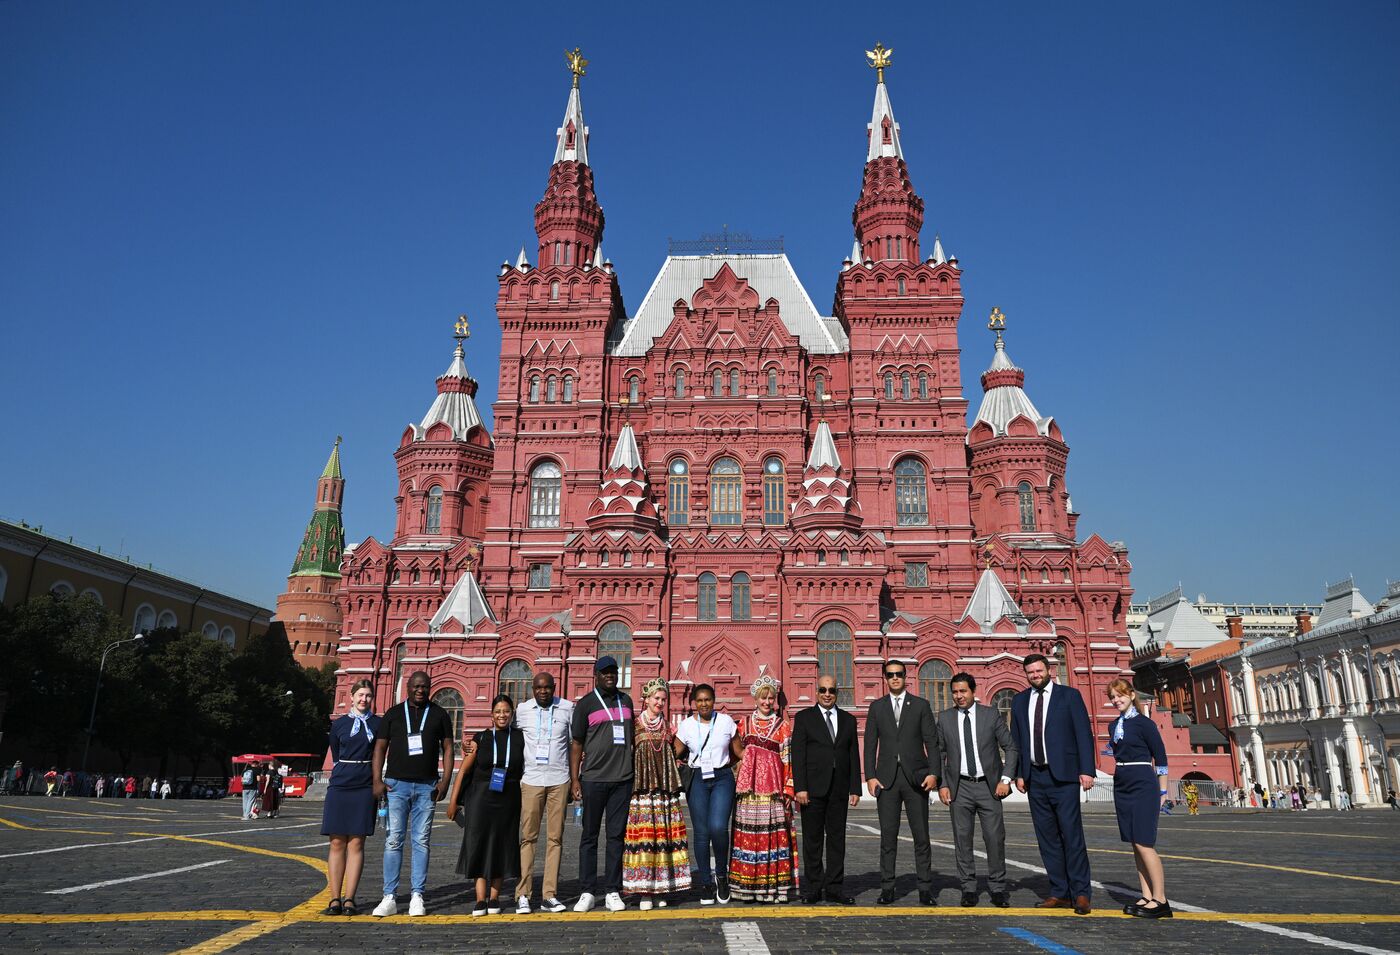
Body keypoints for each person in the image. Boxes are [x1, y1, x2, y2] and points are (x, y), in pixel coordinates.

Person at [1011, 652, 1095, 915]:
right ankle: (1059, 892)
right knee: (1046, 839)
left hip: (1065, 776)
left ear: (1049, 670)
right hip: (1035, 777)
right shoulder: (1020, 700)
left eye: (1038, 671)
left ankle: (1080, 893)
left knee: (1072, 836)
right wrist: (1019, 773)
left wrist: (1087, 770)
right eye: (1030, 672)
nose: (1035, 675)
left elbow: (1083, 734)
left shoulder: (1068, 696)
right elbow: (1017, 739)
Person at [371, 670, 456, 918]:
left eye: (425, 686)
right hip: (396, 786)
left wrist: (446, 781)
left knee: (421, 841)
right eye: (416, 686)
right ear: (408, 687)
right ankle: (389, 896)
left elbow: (449, 748)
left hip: (427, 786)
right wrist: (377, 780)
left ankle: (417, 895)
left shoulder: (439, 714)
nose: (420, 690)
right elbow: (379, 747)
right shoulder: (394, 714)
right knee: (394, 840)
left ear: (430, 688)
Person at [864, 658, 941, 906]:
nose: (894, 678)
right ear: (884, 678)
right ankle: (887, 888)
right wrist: (870, 776)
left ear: (905, 676)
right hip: (886, 781)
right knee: (888, 837)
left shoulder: (920, 705)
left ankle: (925, 889)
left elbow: (932, 742)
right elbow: (869, 745)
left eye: (898, 674)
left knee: (921, 836)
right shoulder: (877, 707)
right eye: (890, 674)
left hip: (916, 779)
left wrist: (934, 773)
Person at [936, 672, 1017, 908]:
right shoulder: (945, 718)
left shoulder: (990, 715)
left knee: (994, 838)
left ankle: (998, 888)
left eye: (963, 691)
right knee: (962, 840)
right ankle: (968, 888)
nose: (959, 696)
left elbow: (1010, 747)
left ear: (973, 692)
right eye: (955, 692)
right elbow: (938, 754)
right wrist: (942, 784)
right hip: (959, 788)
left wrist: (1006, 779)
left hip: (989, 788)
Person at [447, 695, 526, 917]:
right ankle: (480, 899)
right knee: (478, 844)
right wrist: (453, 802)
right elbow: (463, 771)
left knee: (502, 845)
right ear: (491, 715)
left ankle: (494, 897)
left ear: (512, 714)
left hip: (508, 798)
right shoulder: (480, 739)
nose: (502, 715)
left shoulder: (520, 738)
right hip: (480, 798)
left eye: (507, 711)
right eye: (498, 711)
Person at [570, 656, 635, 913]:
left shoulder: (626, 701)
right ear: (596, 675)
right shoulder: (586, 704)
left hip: (622, 780)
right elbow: (576, 744)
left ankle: (612, 890)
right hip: (593, 779)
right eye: (605, 672)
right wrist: (575, 779)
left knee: (616, 837)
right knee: (589, 836)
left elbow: (631, 740)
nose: (610, 676)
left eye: (613, 672)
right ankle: (587, 890)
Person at [791, 674, 860, 905]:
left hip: (839, 789)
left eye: (831, 690)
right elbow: (798, 755)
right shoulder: (804, 718)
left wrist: (855, 788)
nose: (827, 694)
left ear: (836, 693)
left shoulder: (848, 720)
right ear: (817, 693)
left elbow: (853, 755)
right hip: (811, 790)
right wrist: (800, 787)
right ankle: (813, 888)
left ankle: (834, 888)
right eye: (823, 690)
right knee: (812, 840)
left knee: (837, 840)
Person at [730, 674, 799, 903]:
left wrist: (789, 789)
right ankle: (746, 887)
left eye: (771, 698)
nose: (767, 702)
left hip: (773, 792)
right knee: (749, 837)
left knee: (771, 839)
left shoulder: (783, 726)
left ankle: (772, 887)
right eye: (763, 698)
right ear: (755, 699)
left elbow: (788, 759)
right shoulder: (744, 724)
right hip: (749, 794)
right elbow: (734, 753)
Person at [622, 677, 690, 909]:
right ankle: (645, 892)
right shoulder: (634, 724)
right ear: (647, 699)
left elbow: (678, 750)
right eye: (656, 698)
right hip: (642, 793)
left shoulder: (669, 726)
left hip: (663, 794)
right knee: (645, 840)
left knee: (665, 839)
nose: (660, 702)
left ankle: (663, 888)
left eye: (663, 699)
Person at [1106, 679, 1171, 918]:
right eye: (1113, 697)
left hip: (1143, 782)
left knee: (1145, 842)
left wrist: (1162, 791)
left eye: (1120, 695)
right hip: (1122, 783)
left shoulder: (1145, 724)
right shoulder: (1114, 726)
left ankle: (1161, 899)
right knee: (1135, 843)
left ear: (1131, 695)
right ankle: (1146, 895)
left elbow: (1161, 758)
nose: (1117, 700)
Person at [514, 672, 574, 914]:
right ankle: (523, 894)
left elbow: (573, 744)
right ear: (532, 688)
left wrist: (574, 779)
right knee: (528, 838)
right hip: (531, 781)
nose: (543, 691)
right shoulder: (522, 710)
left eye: (547, 687)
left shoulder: (567, 708)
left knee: (555, 839)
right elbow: (508, 736)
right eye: (538, 688)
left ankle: (549, 894)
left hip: (559, 780)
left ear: (554, 687)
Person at [321, 678, 382, 916]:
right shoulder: (339, 724)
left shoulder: (378, 724)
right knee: (336, 842)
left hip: (365, 784)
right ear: (352, 696)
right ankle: (334, 898)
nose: (364, 699)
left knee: (357, 842)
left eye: (368, 696)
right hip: (340, 784)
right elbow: (336, 752)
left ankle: (350, 898)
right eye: (360, 695)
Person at [674, 683, 738, 905]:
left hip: (722, 778)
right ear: (694, 703)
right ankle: (705, 882)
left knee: (718, 827)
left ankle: (721, 875)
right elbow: (674, 751)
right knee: (701, 832)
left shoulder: (726, 722)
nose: (703, 703)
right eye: (699, 700)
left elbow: (739, 751)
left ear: (714, 701)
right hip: (698, 779)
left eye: (707, 699)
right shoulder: (687, 726)